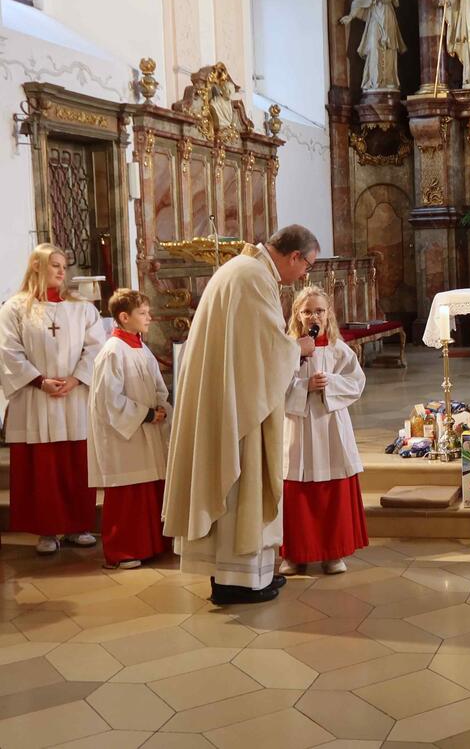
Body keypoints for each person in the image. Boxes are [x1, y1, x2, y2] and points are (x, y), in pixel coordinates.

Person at [163, 226, 318, 606]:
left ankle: (245, 577)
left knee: (237, 488)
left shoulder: (243, 270)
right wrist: (298, 347)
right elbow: (264, 351)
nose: (304, 276)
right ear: (294, 255)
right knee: (239, 484)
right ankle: (239, 581)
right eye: (307, 266)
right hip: (240, 405)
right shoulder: (251, 277)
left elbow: (251, 344)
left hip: (233, 395)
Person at [0, 244, 104, 555]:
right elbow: (8, 351)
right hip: (34, 398)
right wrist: (39, 381)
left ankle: (77, 525)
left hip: (73, 397)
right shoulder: (15, 308)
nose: (62, 271)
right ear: (36, 267)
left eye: (63, 265)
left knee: (75, 463)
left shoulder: (82, 308)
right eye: (54, 265)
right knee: (40, 468)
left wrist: (75, 379)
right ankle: (46, 530)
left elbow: (96, 347)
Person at [279, 286, 369, 576]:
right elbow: (273, 387)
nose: (313, 316)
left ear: (328, 314)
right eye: (307, 311)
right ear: (297, 315)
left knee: (333, 486)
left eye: (318, 310)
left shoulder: (337, 349)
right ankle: (295, 555)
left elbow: (356, 382)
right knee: (297, 488)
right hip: (299, 427)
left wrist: (329, 383)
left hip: (330, 426)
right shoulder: (287, 349)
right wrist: (304, 387)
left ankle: (333, 553)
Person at [88, 289, 170, 569]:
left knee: (147, 489)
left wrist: (160, 407)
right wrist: (147, 414)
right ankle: (121, 551)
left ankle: (148, 545)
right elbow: (109, 400)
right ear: (124, 317)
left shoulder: (139, 346)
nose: (149, 317)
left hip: (144, 431)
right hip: (124, 436)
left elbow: (157, 385)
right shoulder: (112, 351)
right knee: (127, 495)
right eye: (143, 313)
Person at [339, 0, 407, 92]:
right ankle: (374, 81)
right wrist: (351, 16)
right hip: (375, 18)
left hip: (388, 18)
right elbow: (358, 1)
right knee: (374, 46)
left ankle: (389, 80)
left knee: (389, 49)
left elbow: (395, 1)